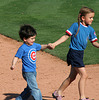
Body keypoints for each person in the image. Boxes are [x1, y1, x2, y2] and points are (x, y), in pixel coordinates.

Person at [48, 7, 99, 100]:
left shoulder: (90, 29)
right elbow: (65, 36)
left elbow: (94, 42)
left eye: (92, 17)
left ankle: (58, 92)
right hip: (73, 53)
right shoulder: (76, 26)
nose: (92, 19)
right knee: (84, 75)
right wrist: (54, 44)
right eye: (90, 17)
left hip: (80, 54)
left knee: (72, 77)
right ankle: (82, 97)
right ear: (83, 18)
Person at [10, 24, 51, 100]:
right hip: (27, 72)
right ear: (25, 39)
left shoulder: (33, 45)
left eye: (34, 38)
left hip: (33, 71)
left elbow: (41, 47)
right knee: (35, 89)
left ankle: (19, 99)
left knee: (29, 89)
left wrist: (47, 46)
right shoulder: (22, 48)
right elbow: (16, 57)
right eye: (32, 38)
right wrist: (13, 65)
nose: (33, 40)